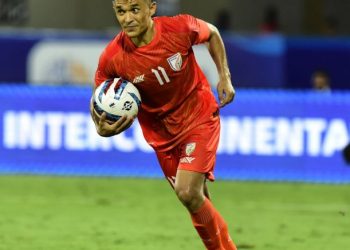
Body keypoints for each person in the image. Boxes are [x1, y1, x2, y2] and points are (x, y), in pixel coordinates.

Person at [90, 0, 237, 249]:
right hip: (162, 137)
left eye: (135, 9)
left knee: (187, 192)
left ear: (152, 7)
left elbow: (212, 33)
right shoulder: (112, 58)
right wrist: (100, 126)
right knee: (196, 199)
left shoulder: (178, 28)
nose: (127, 18)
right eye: (120, 12)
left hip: (198, 117)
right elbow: (100, 98)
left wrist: (224, 76)